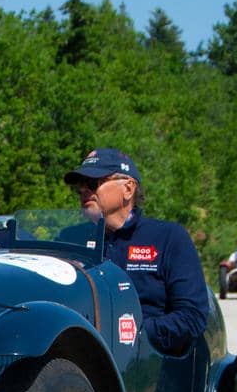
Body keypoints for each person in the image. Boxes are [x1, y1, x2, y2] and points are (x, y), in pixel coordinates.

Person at [64, 147, 209, 356]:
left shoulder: (168, 238)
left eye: (93, 183)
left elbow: (192, 317)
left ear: (128, 189)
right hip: (77, 357)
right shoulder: (68, 239)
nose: (83, 190)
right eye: (80, 185)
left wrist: (136, 333)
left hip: (146, 363)